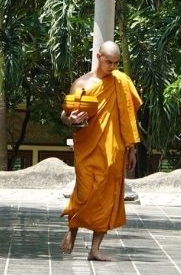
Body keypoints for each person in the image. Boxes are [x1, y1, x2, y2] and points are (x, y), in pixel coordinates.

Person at [59, 41, 140, 261]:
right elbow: (65, 115)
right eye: (108, 62)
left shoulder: (121, 82)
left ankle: (95, 249)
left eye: (116, 63)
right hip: (88, 147)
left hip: (114, 148)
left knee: (108, 194)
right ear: (98, 56)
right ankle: (72, 230)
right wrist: (72, 120)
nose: (112, 67)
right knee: (84, 192)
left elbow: (128, 117)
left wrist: (131, 148)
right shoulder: (82, 83)